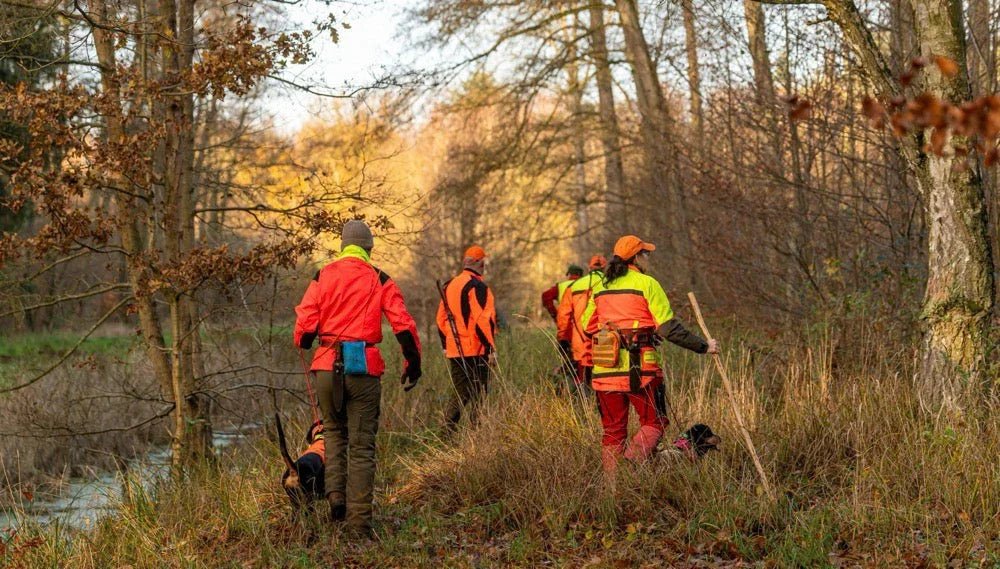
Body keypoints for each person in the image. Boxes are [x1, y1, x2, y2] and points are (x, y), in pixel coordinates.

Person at [293, 219, 422, 539]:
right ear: (368, 248)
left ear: (342, 246)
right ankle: (359, 525)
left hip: (326, 368)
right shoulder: (380, 278)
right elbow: (403, 326)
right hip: (363, 368)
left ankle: (336, 499)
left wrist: (306, 339)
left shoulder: (322, 275)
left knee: (334, 433)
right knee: (362, 447)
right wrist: (413, 362)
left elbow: (305, 330)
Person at [585, 235, 718, 472]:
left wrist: (617, 330)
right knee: (655, 422)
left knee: (613, 431)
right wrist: (704, 346)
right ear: (636, 258)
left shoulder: (600, 286)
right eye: (646, 254)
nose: (648, 259)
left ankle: (612, 491)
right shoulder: (647, 284)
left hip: (604, 371)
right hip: (641, 371)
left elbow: (588, 326)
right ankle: (632, 463)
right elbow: (669, 329)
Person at [437, 245, 497, 433]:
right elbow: (482, 320)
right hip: (476, 350)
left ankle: (446, 435)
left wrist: (446, 344)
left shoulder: (450, 285)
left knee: (461, 393)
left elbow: (440, 319)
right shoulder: (478, 286)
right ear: (480, 263)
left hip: (455, 350)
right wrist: (490, 349)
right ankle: (476, 435)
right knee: (479, 394)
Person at [555, 255, 607, 394]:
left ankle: (582, 406)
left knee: (582, 375)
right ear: (604, 267)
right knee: (605, 376)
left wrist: (562, 338)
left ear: (589, 267)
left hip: (580, 339)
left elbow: (563, 315)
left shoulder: (575, 286)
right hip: (605, 339)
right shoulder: (611, 283)